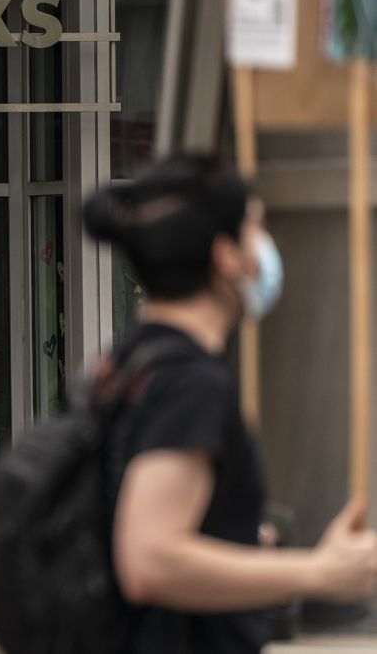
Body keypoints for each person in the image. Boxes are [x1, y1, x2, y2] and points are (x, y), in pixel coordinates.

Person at [83, 156, 377, 654]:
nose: (265, 250)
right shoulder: (191, 384)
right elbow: (149, 559)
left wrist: (237, 545)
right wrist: (320, 572)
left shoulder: (125, 368)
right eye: (255, 229)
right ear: (226, 257)